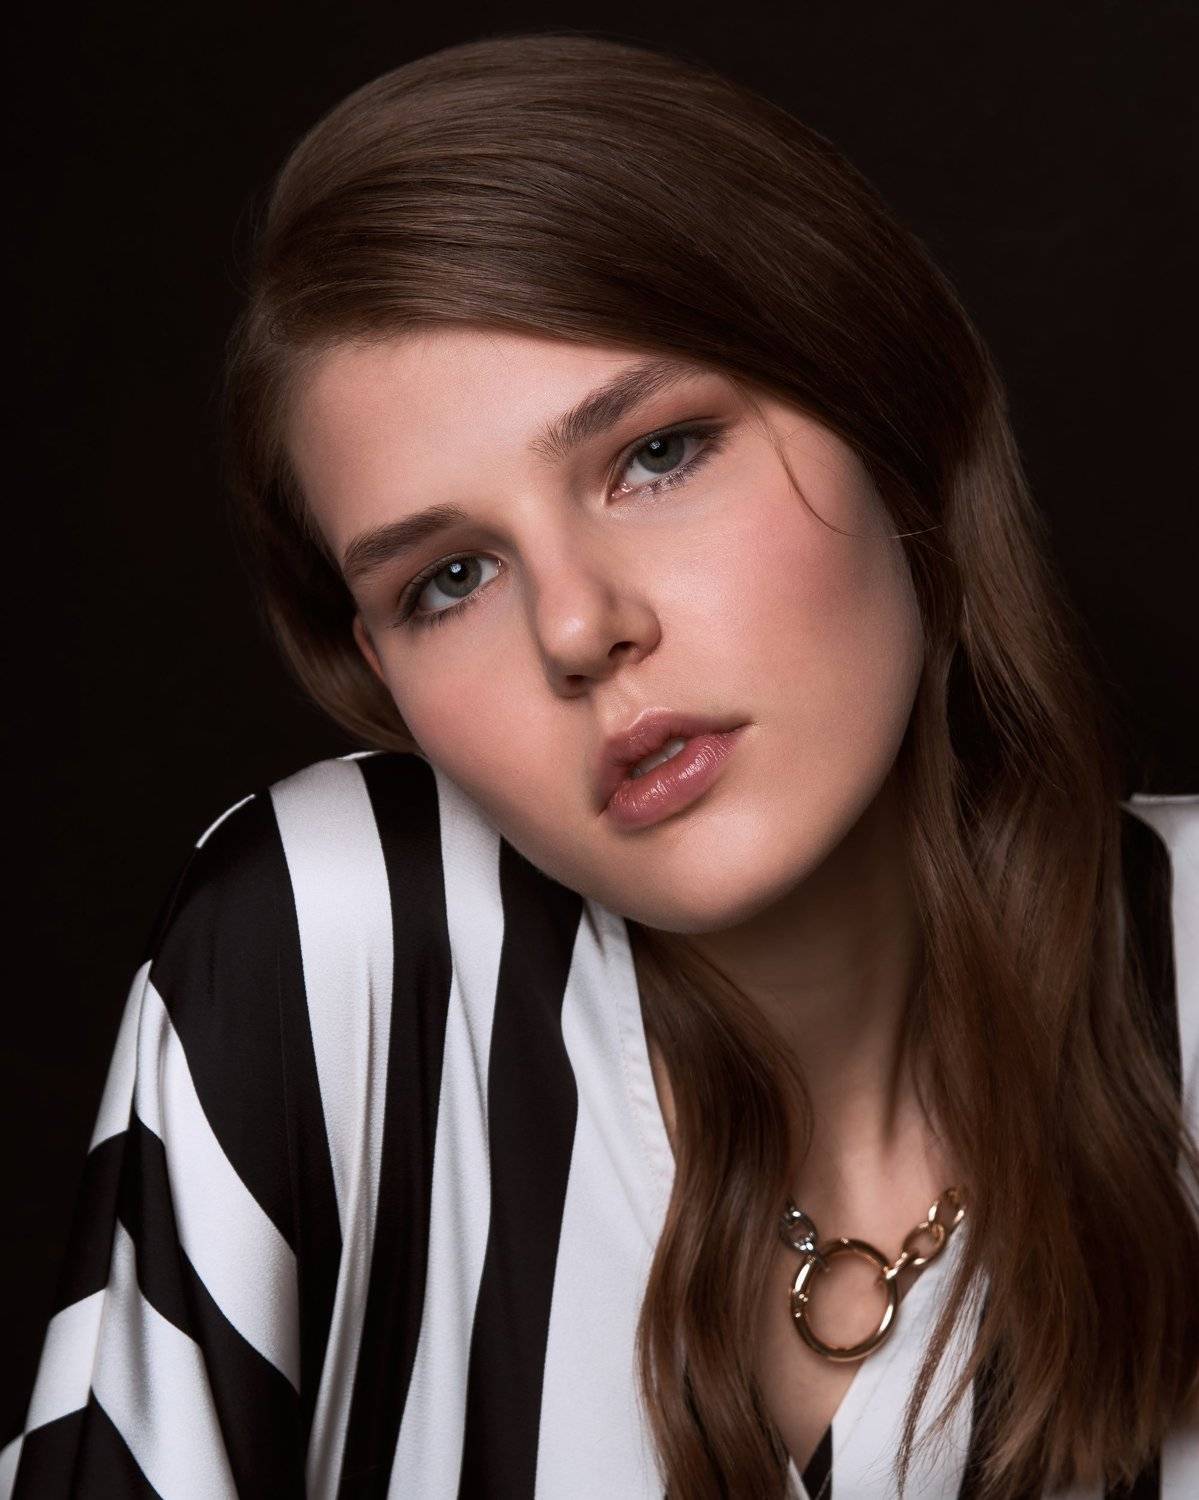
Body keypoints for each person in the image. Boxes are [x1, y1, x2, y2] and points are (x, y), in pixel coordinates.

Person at [3, 29, 1197, 1500]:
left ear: (888, 407)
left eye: (656, 454)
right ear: (379, 668)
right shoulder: (334, 944)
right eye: (449, 579)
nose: (578, 629)